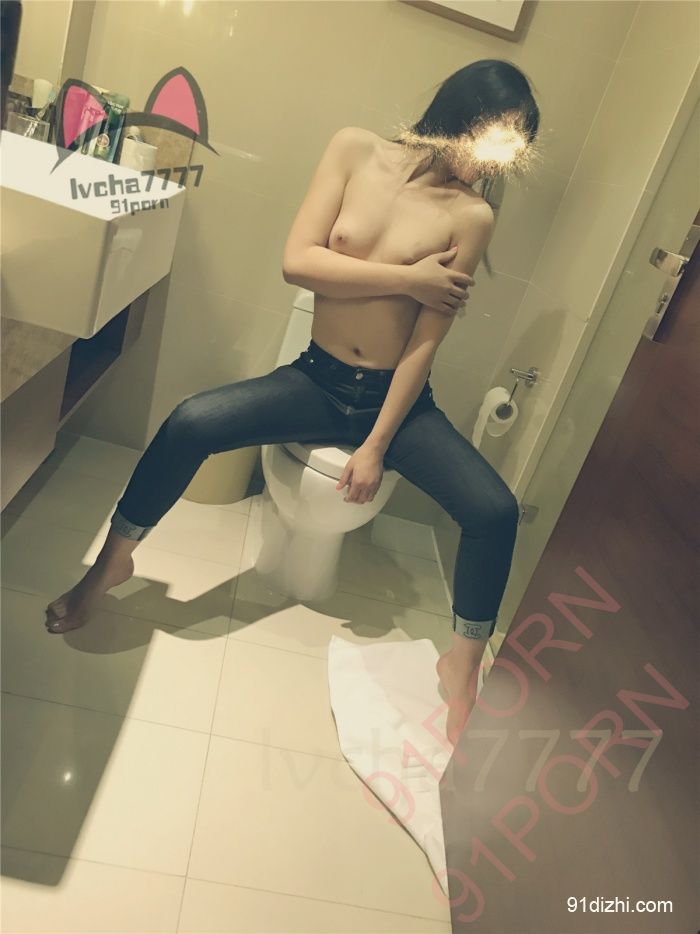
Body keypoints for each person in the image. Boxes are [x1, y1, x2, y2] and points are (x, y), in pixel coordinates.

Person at [45, 59, 540, 746]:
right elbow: (298, 263)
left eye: (508, 156)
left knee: (495, 512)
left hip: (397, 403)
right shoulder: (355, 150)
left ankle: (461, 665)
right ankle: (112, 563)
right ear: (463, 118)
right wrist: (407, 279)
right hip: (316, 380)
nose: (491, 168)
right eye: (493, 145)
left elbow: (425, 343)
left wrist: (375, 446)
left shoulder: (473, 215)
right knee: (191, 422)